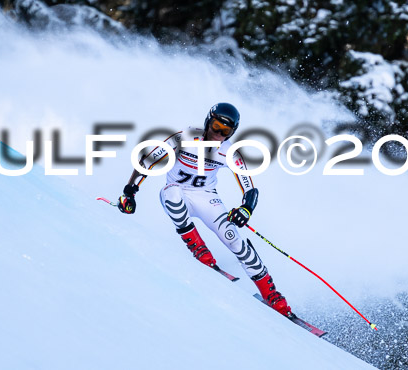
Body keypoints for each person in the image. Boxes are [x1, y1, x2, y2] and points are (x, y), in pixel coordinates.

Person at [117, 102, 292, 316]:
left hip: (206, 198)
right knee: (171, 193)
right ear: (208, 121)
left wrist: (245, 209)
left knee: (234, 239)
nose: (218, 134)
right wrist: (130, 192)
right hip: (177, 192)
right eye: (216, 126)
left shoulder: (229, 152)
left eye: (225, 131)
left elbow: (250, 188)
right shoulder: (184, 138)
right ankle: (201, 253)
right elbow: (147, 162)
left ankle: (273, 297)